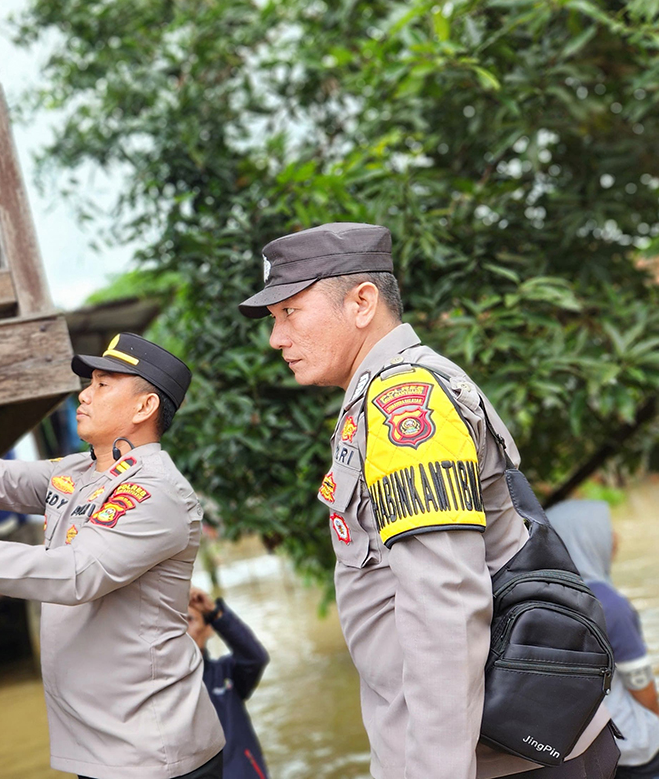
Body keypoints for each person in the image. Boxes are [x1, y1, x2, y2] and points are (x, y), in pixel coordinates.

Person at [237, 222, 617, 778]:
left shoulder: (403, 400)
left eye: (290, 312)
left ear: (362, 302)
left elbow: (445, 605)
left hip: (501, 758)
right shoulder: (379, 393)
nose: (276, 338)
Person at [0, 333, 226, 779]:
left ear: (143, 407)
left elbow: (74, 574)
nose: (84, 394)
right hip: (102, 745)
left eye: (103, 385)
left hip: (152, 752)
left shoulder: (155, 493)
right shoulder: (77, 471)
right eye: (89, 382)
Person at [549, 500, 659, 778]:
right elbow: (641, 688)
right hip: (633, 747)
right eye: (607, 530)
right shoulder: (608, 603)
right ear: (586, 536)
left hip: (579, 746)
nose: (615, 538)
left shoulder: (544, 596)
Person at [187, 588, 271, 778]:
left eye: (190, 620)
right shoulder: (162, 686)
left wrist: (214, 612)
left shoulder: (226, 674)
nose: (182, 629)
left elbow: (255, 657)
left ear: (208, 629)